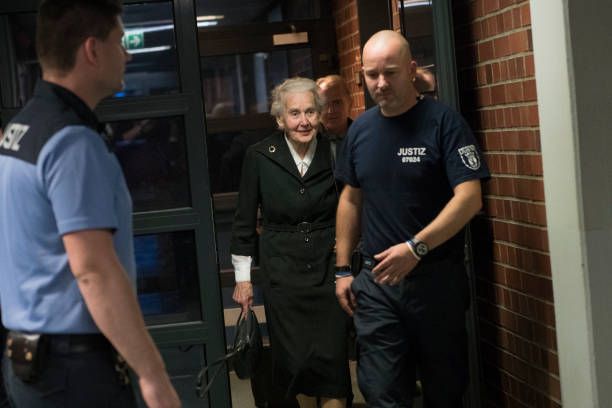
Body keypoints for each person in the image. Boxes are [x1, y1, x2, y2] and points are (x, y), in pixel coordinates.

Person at [0, 1, 180, 407]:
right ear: (92, 50)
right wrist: (153, 375)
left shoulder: (23, 128)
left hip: (29, 365)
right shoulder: (72, 141)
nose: (128, 54)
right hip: (72, 372)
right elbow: (94, 270)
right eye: (120, 41)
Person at [334, 30, 490, 408]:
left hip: (436, 282)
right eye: (372, 75)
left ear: (411, 69)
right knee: (382, 392)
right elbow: (351, 199)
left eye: (390, 72)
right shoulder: (361, 130)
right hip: (379, 285)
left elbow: (470, 199)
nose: (381, 83)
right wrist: (342, 269)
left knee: (445, 390)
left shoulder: (444, 124)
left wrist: (416, 247)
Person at [231, 77, 352, 408]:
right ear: (280, 119)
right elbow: (243, 221)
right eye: (295, 113)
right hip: (282, 276)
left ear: (320, 113)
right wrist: (243, 280)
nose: (304, 121)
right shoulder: (259, 156)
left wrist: (348, 262)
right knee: (293, 367)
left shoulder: (337, 151)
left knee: (332, 365)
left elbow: (354, 210)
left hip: (329, 272)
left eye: (311, 111)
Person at [316, 75, 352, 160]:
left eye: (337, 102)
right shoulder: (306, 143)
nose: (330, 110)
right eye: (324, 104)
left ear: (350, 102)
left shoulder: (363, 137)